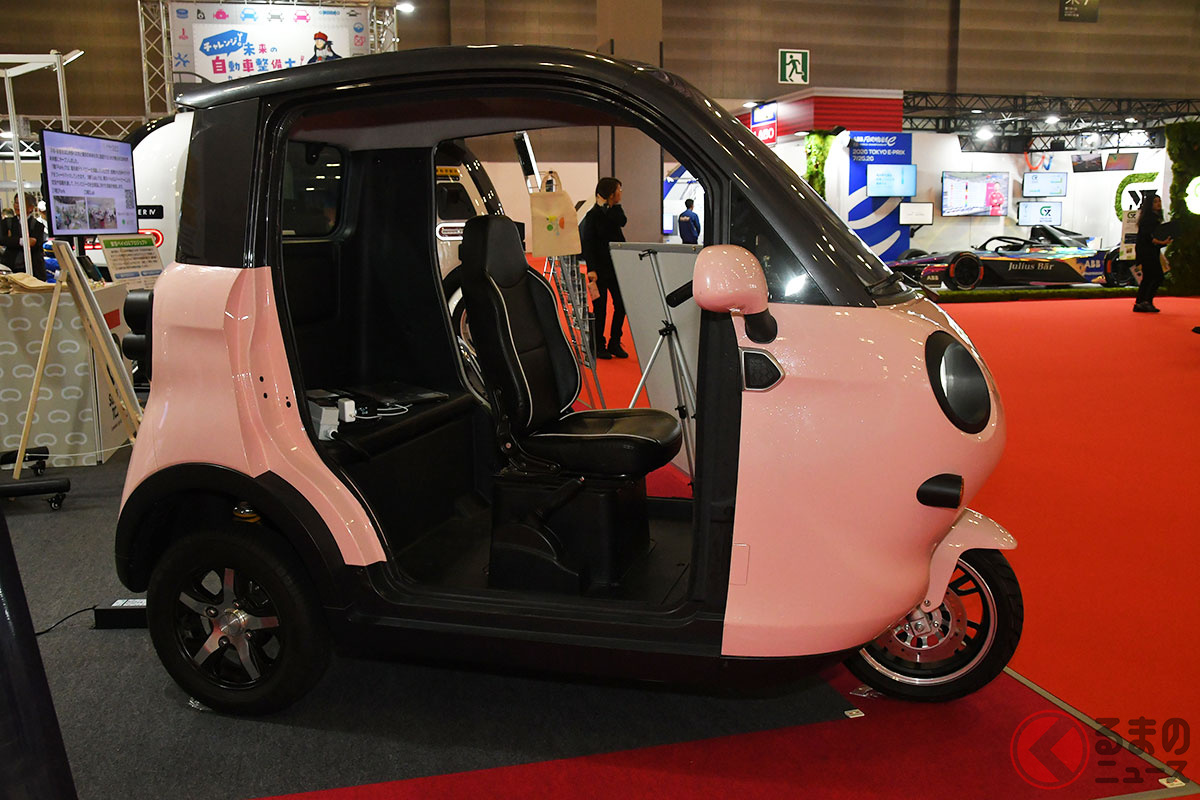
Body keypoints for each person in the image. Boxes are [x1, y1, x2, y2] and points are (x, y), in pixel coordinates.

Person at [580, 177, 628, 359]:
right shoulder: (592, 215)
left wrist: (611, 206)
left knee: (621, 305)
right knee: (600, 309)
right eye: (618, 190)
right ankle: (598, 344)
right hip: (599, 270)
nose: (620, 193)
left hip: (616, 268)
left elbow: (622, 221)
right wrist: (591, 269)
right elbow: (588, 244)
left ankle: (615, 342)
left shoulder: (616, 211)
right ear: (610, 192)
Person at [1133, 194, 1171, 313]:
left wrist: (1162, 242)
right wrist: (1162, 242)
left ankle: (1141, 302)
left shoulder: (1153, 218)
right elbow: (1149, 237)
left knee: (1149, 277)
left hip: (1149, 251)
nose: (1158, 204)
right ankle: (1146, 301)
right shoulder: (1149, 219)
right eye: (1155, 202)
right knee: (1157, 276)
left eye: (1159, 201)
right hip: (1147, 252)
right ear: (1149, 204)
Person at [0, 194, 46, 281]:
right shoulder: (7, 223)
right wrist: (22, 241)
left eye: (20, 203)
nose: (17, 206)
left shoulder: (37, 225)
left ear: (31, 207)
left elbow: (35, 244)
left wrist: (12, 240)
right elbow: (3, 240)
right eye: (16, 203)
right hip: (11, 268)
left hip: (33, 270)